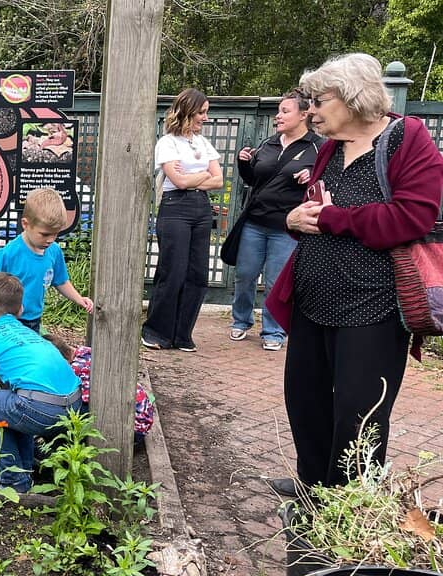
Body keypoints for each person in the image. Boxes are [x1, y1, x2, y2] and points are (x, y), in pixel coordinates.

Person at [265, 53, 443, 496]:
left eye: (318, 100)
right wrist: (295, 219)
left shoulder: (408, 138)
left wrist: (332, 219)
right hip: (314, 297)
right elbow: (316, 208)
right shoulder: (330, 148)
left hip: (373, 308)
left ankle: (350, 506)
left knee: (359, 413)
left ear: (352, 97)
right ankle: (314, 485)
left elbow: (412, 218)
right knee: (305, 400)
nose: (311, 111)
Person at [0, 272, 82, 493]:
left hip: (41, 409)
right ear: (20, 309)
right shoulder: (27, 332)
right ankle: (25, 471)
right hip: (73, 407)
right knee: (12, 410)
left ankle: (11, 480)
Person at [230, 89, 323, 352]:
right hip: (255, 222)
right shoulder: (268, 144)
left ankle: (274, 329)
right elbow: (253, 182)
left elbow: (326, 182)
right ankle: (241, 319)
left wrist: (311, 176)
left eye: (285, 111)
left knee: (275, 280)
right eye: (278, 111)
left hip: (287, 227)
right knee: (245, 274)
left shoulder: (318, 147)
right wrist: (244, 164)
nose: (278, 116)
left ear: (304, 115)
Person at [141, 88, 224, 352]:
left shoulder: (202, 142)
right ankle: (156, 331)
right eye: (201, 112)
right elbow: (177, 181)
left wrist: (192, 178)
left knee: (197, 274)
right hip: (175, 208)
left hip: (200, 209)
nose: (205, 118)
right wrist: (201, 177)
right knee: (173, 271)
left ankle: (182, 334)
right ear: (187, 111)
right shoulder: (168, 142)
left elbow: (219, 180)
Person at [0, 187, 94, 333]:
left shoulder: (54, 251)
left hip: (35, 319)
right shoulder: (9, 253)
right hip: (7, 320)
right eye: (44, 234)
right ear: (25, 224)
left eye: (55, 234)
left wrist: (79, 299)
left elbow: (61, 281)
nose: (50, 239)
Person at [43, 334, 155, 441]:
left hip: (131, 428)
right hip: (143, 415)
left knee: (56, 416)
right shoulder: (85, 351)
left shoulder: (76, 370)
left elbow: (87, 404)